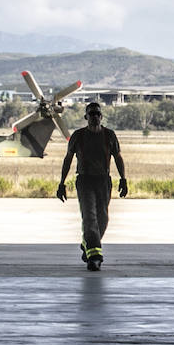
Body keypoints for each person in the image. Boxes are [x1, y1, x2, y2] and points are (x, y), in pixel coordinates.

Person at [56, 101, 128, 271]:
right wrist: (61, 183)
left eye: (97, 114)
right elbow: (68, 159)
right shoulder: (78, 136)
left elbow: (117, 157)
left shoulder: (109, 135)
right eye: (91, 114)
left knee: (102, 219)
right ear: (86, 117)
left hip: (103, 181)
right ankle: (95, 257)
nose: (94, 117)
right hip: (85, 181)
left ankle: (87, 243)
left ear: (101, 117)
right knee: (89, 217)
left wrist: (123, 179)